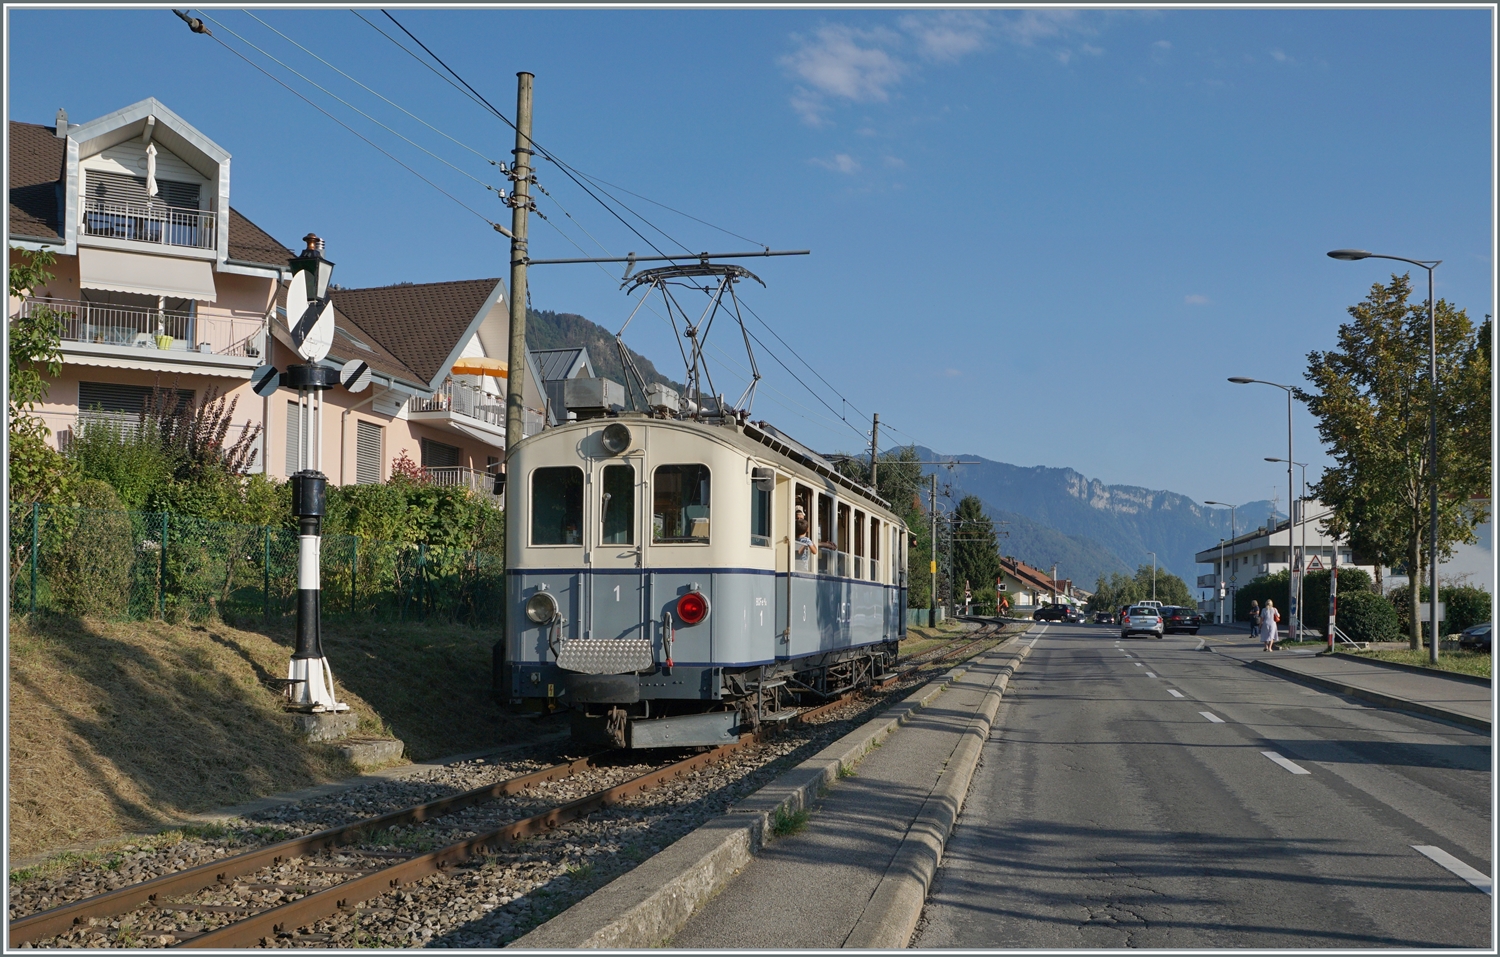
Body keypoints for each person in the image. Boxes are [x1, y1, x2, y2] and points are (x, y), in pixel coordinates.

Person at [794, 505, 816, 571]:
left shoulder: (794, 539)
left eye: (801, 519)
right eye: (797, 518)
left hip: (795, 565)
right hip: (803, 567)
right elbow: (814, 551)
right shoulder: (806, 540)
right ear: (807, 529)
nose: (799, 520)